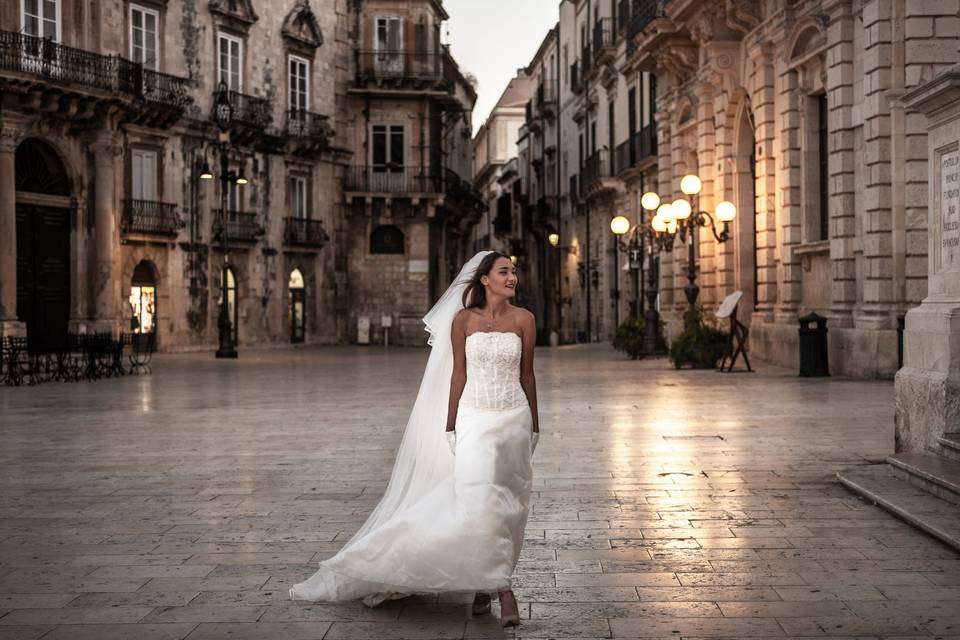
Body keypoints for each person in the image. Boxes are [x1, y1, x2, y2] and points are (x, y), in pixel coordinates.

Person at [289, 251, 540, 628]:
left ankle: (484, 586)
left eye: (514, 272)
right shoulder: (463, 321)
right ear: (484, 279)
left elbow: (528, 375)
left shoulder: (525, 319)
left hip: (513, 418)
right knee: (480, 497)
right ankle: (504, 589)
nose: (512, 278)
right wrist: (452, 423)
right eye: (504, 272)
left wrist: (534, 424)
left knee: (509, 503)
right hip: (475, 417)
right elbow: (458, 376)